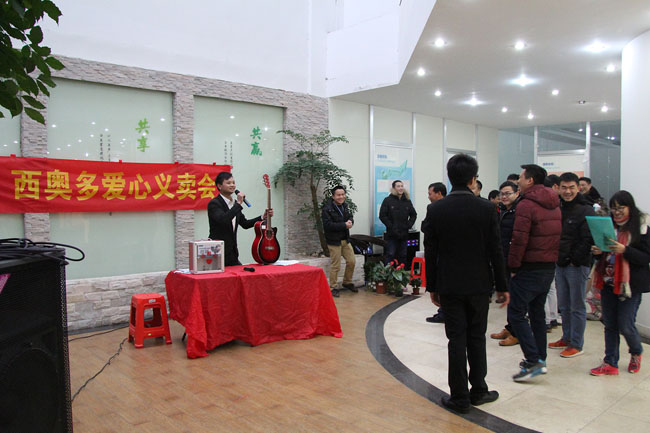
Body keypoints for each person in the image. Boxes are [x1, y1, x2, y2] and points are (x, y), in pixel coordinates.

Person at [423, 154, 508, 414]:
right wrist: (502, 285)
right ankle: (479, 390)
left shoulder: (436, 209)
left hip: (449, 285)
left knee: (456, 340)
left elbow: (431, 252)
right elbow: (496, 250)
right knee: (476, 337)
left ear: (450, 178)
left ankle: (459, 397)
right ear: (473, 179)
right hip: (479, 284)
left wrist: (432, 286)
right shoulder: (486, 208)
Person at [507, 164, 561, 382]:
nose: (518, 181)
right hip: (548, 266)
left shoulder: (527, 204)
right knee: (537, 313)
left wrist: (513, 267)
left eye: (521, 177)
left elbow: (520, 238)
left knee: (516, 314)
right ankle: (540, 358)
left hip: (529, 267)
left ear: (530, 180)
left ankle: (532, 360)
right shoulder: (554, 203)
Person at [590, 191, 650, 376]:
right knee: (609, 324)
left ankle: (636, 351)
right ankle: (610, 362)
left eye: (620, 208)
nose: (617, 212)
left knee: (625, 324)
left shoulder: (641, 227)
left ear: (629, 207)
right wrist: (598, 252)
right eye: (614, 208)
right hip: (608, 282)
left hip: (629, 285)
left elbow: (645, 257)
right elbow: (603, 253)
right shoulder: (608, 226)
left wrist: (625, 250)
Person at [548, 172, 595, 358]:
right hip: (560, 263)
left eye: (571, 188)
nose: (567, 191)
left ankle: (576, 343)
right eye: (564, 188)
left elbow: (587, 239)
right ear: (558, 188)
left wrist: (573, 259)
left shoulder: (586, 210)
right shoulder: (557, 208)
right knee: (564, 305)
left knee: (577, 305)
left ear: (578, 188)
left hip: (577, 265)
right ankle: (566, 337)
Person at [208, 172, 271, 266]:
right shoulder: (214, 203)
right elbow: (224, 220)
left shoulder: (234, 204)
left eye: (233, 182)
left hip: (232, 253)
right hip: (218, 251)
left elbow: (245, 224)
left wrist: (263, 217)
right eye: (228, 183)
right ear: (219, 186)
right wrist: (238, 204)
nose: (232, 185)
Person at [490, 181, 521, 346]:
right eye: (502, 194)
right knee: (509, 295)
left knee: (515, 298)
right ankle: (509, 327)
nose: (504, 196)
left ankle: (516, 333)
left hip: (515, 260)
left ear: (517, 193)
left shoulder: (520, 211)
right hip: (503, 258)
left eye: (508, 193)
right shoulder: (501, 210)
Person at [322, 185, 356, 298]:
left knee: (351, 261)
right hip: (333, 241)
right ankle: (333, 287)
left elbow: (350, 216)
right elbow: (328, 225)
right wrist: (344, 225)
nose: (341, 197)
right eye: (338, 195)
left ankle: (347, 282)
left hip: (345, 239)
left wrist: (350, 221)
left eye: (343, 194)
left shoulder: (345, 206)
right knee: (335, 265)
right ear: (333, 196)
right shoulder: (327, 209)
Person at [421, 182, 447, 323]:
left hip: (438, 252)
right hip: (443, 252)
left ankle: (443, 312)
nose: (428, 196)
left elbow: (426, 227)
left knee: (440, 282)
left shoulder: (434, 208)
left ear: (438, 193)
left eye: (430, 194)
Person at [379, 180, 417, 266]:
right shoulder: (388, 200)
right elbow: (382, 216)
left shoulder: (407, 201)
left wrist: (409, 225)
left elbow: (413, 215)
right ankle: (388, 273)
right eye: (398, 186)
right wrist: (391, 226)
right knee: (390, 254)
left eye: (402, 186)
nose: (401, 188)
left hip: (404, 234)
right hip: (392, 234)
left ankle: (401, 273)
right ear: (394, 188)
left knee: (403, 255)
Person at [543, 174, 561, 332]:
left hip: (547, 251)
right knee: (551, 287)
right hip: (552, 250)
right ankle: (552, 317)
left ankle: (548, 319)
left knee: (546, 287)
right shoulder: (557, 205)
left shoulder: (547, 205)